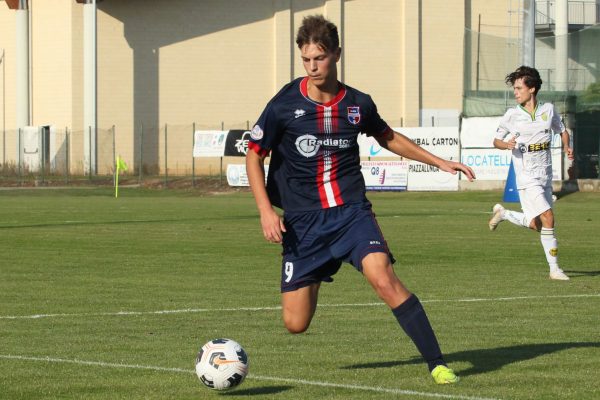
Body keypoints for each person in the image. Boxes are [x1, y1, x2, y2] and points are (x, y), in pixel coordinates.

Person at [246, 15, 475, 384]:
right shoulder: (284, 105)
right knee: (295, 324)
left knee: (383, 278)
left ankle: (437, 364)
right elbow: (254, 155)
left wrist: (439, 162)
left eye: (319, 58)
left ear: (336, 53)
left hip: (352, 214)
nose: (312, 66)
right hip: (303, 222)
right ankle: (319, 271)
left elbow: (387, 137)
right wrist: (265, 211)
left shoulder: (357, 103)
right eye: (306, 59)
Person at [488, 66, 574, 280]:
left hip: (545, 175)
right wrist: (506, 145)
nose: (515, 92)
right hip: (526, 176)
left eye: (519, 88)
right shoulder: (512, 115)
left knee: (538, 224)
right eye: (514, 88)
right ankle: (554, 269)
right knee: (549, 218)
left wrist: (566, 146)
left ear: (532, 89)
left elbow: (562, 131)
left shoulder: (549, 110)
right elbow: (496, 140)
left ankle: (504, 214)